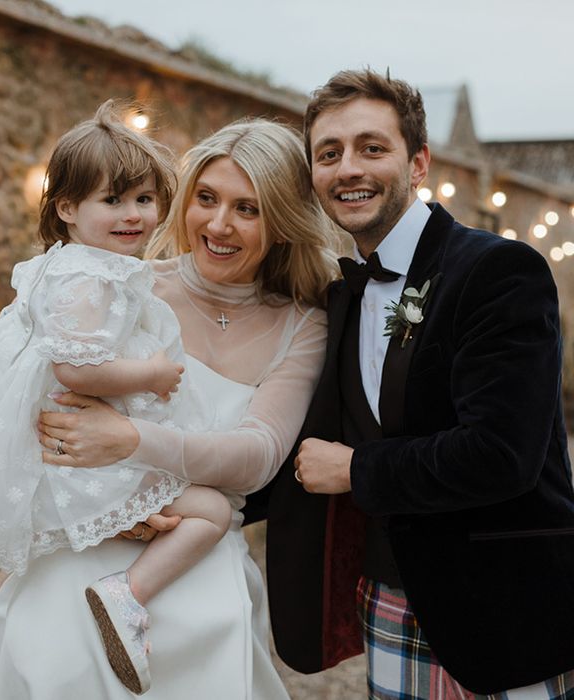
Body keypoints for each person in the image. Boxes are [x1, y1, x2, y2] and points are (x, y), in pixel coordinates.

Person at [0, 115, 339, 699]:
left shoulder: (303, 325)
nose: (219, 224)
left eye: (248, 209)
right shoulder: (124, 284)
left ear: (282, 222)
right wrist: (106, 505)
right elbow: (35, 402)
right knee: (57, 646)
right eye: (205, 198)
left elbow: (257, 457)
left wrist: (129, 442)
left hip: (196, 553)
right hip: (85, 535)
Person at [264, 68, 574, 698]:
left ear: (418, 163)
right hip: (390, 602)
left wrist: (357, 473)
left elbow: (500, 455)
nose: (348, 168)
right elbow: (303, 437)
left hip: (506, 612)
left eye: (372, 148)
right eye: (329, 154)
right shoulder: (341, 294)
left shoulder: (499, 271)